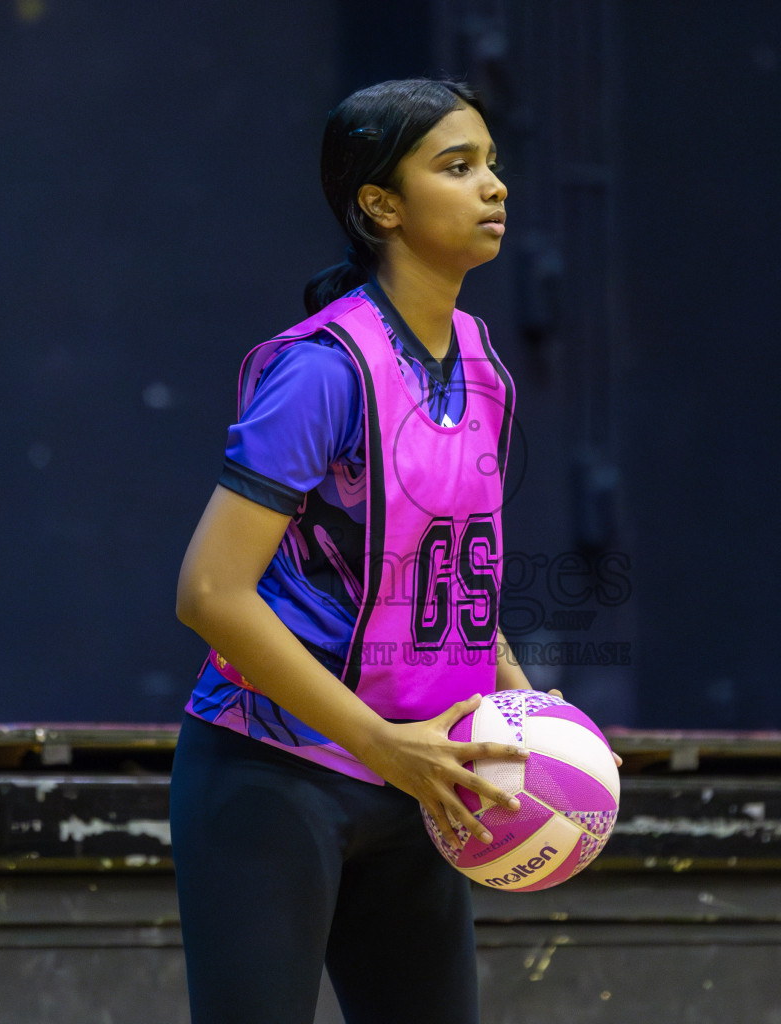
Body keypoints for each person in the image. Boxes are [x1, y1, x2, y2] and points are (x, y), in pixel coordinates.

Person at [169, 78, 532, 1024]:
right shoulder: (320, 371)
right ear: (380, 205)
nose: (493, 186)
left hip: (423, 779)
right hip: (273, 772)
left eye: (491, 163)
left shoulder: (484, 365)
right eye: (458, 167)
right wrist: (378, 744)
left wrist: (517, 702)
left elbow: (454, 571)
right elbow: (211, 593)